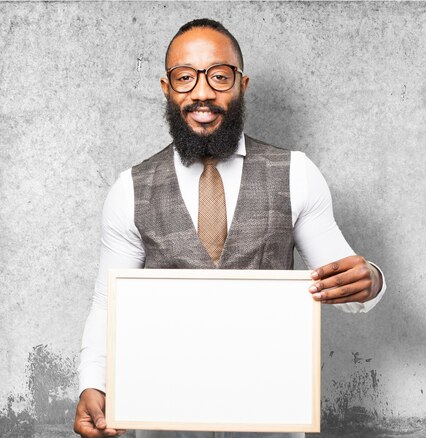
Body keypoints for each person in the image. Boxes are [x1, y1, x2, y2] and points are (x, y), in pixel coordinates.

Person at [73, 18, 386, 438]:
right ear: (167, 89)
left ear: (242, 84)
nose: (203, 92)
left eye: (219, 76)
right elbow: (107, 305)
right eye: (185, 78)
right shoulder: (129, 189)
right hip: (166, 420)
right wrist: (93, 383)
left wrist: (370, 280)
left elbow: (341, 280)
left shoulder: (296, 173)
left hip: (270, 418)